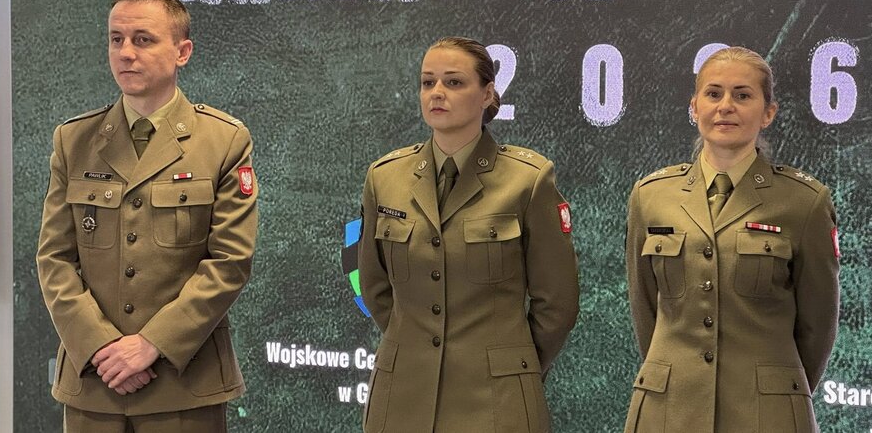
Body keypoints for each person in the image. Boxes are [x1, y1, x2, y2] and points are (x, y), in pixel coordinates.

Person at [36, 0, 258, 432]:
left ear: (182, 52)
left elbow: (230, 261)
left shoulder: (223, 141)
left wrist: (152, 344)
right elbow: (54, 259)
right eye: (116, 39)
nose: (125, 53)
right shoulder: (74, 140)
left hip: (183, 384)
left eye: (143, 39)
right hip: (95, 383)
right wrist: (101, 346)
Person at [358, 36, 580, 433]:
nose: (437, 92)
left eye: (454, 82)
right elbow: (375, 287)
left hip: (497, 403)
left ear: (487, 94)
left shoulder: (527, 181)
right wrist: (415, 347)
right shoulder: (384, 177)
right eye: (428, 82)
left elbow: (557, 303)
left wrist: (513, 365)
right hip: (403, 398)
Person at [624, 47, 840, 432]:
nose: (726, 106)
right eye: (713, 93)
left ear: (768, 113)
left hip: (765, 414)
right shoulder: (651, 195)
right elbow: (645, 308)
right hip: (669, 409)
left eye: (742, 95)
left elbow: (817, 325)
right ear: (694, 107)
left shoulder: (804, 202)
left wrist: (779, 390)